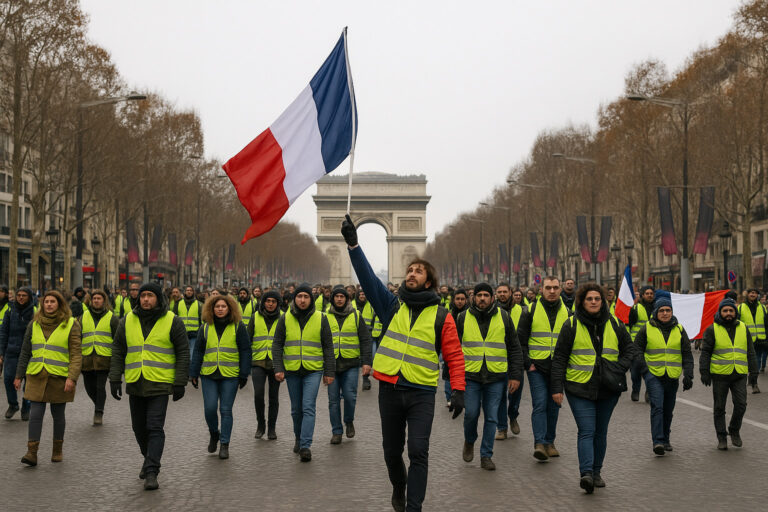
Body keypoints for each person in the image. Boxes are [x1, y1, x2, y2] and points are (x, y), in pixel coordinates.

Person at [342, 215, 465, 512]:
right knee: (391, 453)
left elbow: (454, 355)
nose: (411, 273)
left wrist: (458, 390)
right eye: (409, 269)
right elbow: (370, 282)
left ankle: (414, 507)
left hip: (422, 391)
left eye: (418, 271)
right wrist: (353, 245)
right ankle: (399, 484)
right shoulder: (391, 306)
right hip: (391, 389)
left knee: (419, 451)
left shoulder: (442, 316)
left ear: (429, 281)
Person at [550, 283, 636, 493]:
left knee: (600, 432)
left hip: (608, 387)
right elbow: (560, 358)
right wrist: (556, 387)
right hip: (579, 387)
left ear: (603, 301)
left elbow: (630, 350)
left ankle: (597, 472)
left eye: (597, 298)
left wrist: (617, 368)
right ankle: (586, 473)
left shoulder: (615, 323)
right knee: (587, 430)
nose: (594, 302)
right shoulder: (571, 324)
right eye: (589, 299)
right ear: (582, 301)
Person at [109, 282, 190, 490]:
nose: (145, 299)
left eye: (150, 296)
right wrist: (115, 377)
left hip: (160, 383)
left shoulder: (172, 321)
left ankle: (152, 470)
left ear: (158, 298)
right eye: (143, 295)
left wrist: (180, 382)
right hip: (136, 382)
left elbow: (182, 352)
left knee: (154, 426)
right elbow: (118, 349)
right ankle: (148, 458)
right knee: (138, 428)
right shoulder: (127, 320)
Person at [457, 283, 522, 471]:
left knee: (492, 417)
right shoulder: (462, 317)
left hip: (496, 376)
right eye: (479, 295)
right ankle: (469, 440)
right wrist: (452, 380)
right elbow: (453, 349)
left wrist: (515, 375)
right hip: (470, 375)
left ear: (492, 298)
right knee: (471, 414)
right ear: (473, 298)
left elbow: (514, 347)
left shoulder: (504, 317)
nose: (483, 298)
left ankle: (486, 455)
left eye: (486, 295)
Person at [15, 290, 82, 466]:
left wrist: (72, 378)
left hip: (59, 377)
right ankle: (32, 452)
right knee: (36, 413)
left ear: (60, 304)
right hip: (36, 375)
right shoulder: (34, 324)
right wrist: (19, 375)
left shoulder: (71, 324)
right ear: (42, 304)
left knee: (58, 414)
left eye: (53, 302)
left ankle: (57, 449)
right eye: (46, 302)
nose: (49, 304)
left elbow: (76, 354)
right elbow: (25, 351)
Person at [271, 284, 335, 462]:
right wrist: (278, 367)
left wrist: (329, 371)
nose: (302, 300)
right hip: (291, 369)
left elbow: (328, 347)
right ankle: (298, 438)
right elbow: (277, 344)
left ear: (311, 299)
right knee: (296, 410)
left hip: (313, 370)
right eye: (299, 296)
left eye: (306, 297)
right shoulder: (284, 318)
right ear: (294, 299)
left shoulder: (321, 318)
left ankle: (306, 445)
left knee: (308, 407)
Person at [190, 294, 251, 459]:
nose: (220, 309)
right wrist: (193, 373)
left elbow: (245, 350)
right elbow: (198, 351)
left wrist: (244, 373)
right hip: (209, 374)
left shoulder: (238, 327)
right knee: (210, 409)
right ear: (211, 309)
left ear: (229, 308)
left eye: (224, 306)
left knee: (225, 410)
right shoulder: (205, 327)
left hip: (230, 375)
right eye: (217, 306)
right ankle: (213, 433)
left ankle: (224, 444)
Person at [517, 276, 570, 461]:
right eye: (548, 287)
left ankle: (550, 442)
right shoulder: (529, 310)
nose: (552, 291)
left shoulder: (569, 312)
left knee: (554, 404)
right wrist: (528, 363)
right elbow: (520, 341)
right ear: (541, 289)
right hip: (537, 366)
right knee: (540, 403)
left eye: (556, 287)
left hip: (559, 367)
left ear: (561, 289)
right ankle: (539, 443)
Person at [633, 296, 693, 454]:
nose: (665, 313)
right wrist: (645, 369)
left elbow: (687, 354)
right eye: (662, 310)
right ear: (656, 312)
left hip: (672, 375)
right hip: (653, 374)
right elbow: (637, 349)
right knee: (657, 407)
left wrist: (689, 375)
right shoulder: (646, 328)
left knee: (668, 409)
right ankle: (658, 441)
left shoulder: (679, 329)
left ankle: (666, 439)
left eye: (668, 310)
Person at [699, 297, 758, 450]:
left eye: (731, 310)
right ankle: (721, 437)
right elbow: (705, 352)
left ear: (735, 312)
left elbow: (750, 352)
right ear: (720, 312)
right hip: (720, 375)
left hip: (739, 374)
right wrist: (704, 371)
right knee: (719, 407)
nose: (728, 313)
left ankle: (734, 429)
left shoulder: (743, 328)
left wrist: (754, 371)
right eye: (725, 311)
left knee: (741, 405)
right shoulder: (712, 329)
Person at [326, 285, 373, 444]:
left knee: (350, 396)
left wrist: (367, 362)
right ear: (333, 298)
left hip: (351, 363)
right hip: (331, 365)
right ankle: (336, 431)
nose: (339, 299)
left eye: (342, 296)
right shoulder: (324, 316)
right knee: (333, 400)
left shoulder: (356, 315)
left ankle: (349, 420)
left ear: (347, 298)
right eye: (337, 296)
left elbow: (366, 340)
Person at [79, 289, 118, 425]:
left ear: (104, 301)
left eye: (99, 298)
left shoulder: (112, 318)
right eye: (94, 298)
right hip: (87, 358)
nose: (96, 300)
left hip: (104, 358)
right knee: (89, 387)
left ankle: (98, 411)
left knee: (100, 387)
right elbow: (78, 337)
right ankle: (99, 403)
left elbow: (117, 340)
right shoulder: (83, 316)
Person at [251, 290, 283, 439]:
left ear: (277, 303)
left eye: (273, 301)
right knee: (258, 394)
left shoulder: (284, 318)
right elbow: (248, 339)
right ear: (263, 302)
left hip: (276, 363)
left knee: (273, 397)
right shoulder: (255, 317)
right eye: (268, 301)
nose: (270, 304)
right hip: (258, 361)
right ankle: (260, 424)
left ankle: (271, 428)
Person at [496, 285, 527, 440]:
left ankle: (513, 415)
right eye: (499, 292)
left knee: (515, 393)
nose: (502, 294)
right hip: (498, 358)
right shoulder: (492, 311)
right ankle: (502, 427)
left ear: (511, 293)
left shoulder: (523, 311)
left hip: (516, 357)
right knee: (500, 395)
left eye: (505, 292)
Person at [0, 287, 35, 420]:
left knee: (29, 383)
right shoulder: (10, 310)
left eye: (24, 295)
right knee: (8, 379)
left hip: (30, 354)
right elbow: (4, 332)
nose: (20, 297)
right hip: (11, 351)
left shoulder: (34, 311)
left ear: (29, 297)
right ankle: (13, 404)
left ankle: (26, 407)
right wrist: (1, 353)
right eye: (19, 295)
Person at [628, 286, 655, 402]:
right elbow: (630, 325)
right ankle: (635, 389)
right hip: (636, 344)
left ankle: (649, 391)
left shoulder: (657, 309)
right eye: (647, 293)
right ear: (642, 295)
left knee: (650, 370)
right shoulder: (635, 308)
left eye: (651, 293)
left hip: (651, 344)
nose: (649, 295)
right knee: (635, 371)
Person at [737, 288, 766, 390]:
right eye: (751, 293)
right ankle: (750, 379)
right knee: (748, 361)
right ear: (747, 295)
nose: (753, 294)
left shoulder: (762, 308)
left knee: (756, 360)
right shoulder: (741, 308)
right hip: (746, 339)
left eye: (755, 293)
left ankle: (754, 382)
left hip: (760, 339)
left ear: (757, 295)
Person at [443, 290, 468, 405]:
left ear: (466, 300)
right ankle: (449, 397)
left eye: (462, 299)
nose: (460, 301)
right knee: (448, 372)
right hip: (450, 346)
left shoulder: (470, 314)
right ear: (453, 300)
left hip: (466, 348)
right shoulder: (448, 314)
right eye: (458, 299)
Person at [357, 288, 380, 391]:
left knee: (366, 356)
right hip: (354, 335)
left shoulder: (371, 306)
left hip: (367, 335)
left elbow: (375, 319)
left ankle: (365, 379)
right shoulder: (352, 304)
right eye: (360, 294)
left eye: (364, 294)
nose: (362, 296)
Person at [172, 285, 202, 356]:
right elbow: (174, 317)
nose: (189, 292)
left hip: (194, 333)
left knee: (191, 355)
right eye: (187, 290)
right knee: (182, 354)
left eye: (190, 290)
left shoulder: (198, 304)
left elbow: (201, 318)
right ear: (184, 292)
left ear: (193, 292)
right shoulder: (179, 303)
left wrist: (200, 331)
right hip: (181, 333)